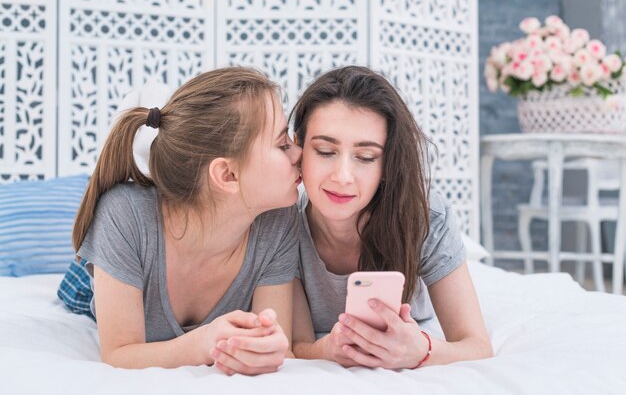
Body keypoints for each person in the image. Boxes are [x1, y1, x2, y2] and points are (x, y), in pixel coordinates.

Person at [57, 67, 303, 375]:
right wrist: (203, 343)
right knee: (78, 289)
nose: (299, 153)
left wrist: (268, 348)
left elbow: (276, 339)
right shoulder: (124, 216)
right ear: (227, 174)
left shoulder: (279, 221)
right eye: (283, 145)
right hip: (94, 279)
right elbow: (118, 353)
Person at [290, 66, 493, 368]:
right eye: (324, 151)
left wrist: (421, 350)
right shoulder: (282, 226)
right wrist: (329, 349)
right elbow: (298, 347)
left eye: (366, 157)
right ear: (298, 149)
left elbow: (477, 346)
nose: (342, 176)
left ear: (387, 165)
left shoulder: (425, 216)